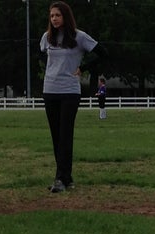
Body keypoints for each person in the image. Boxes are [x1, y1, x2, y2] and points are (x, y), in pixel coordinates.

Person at [40, 1, 107, 193]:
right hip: (50, 91)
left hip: (69, 91)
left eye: (57, 15)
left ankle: (60, 178)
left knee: (65, 135)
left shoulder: (79, 37)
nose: (54, 19)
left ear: (66, 17)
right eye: (51, 16)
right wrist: (51, 69)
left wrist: (83, 68)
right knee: (56, 136)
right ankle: (65, 178)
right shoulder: (47, 37)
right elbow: (41, 55)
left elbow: (103, 54)